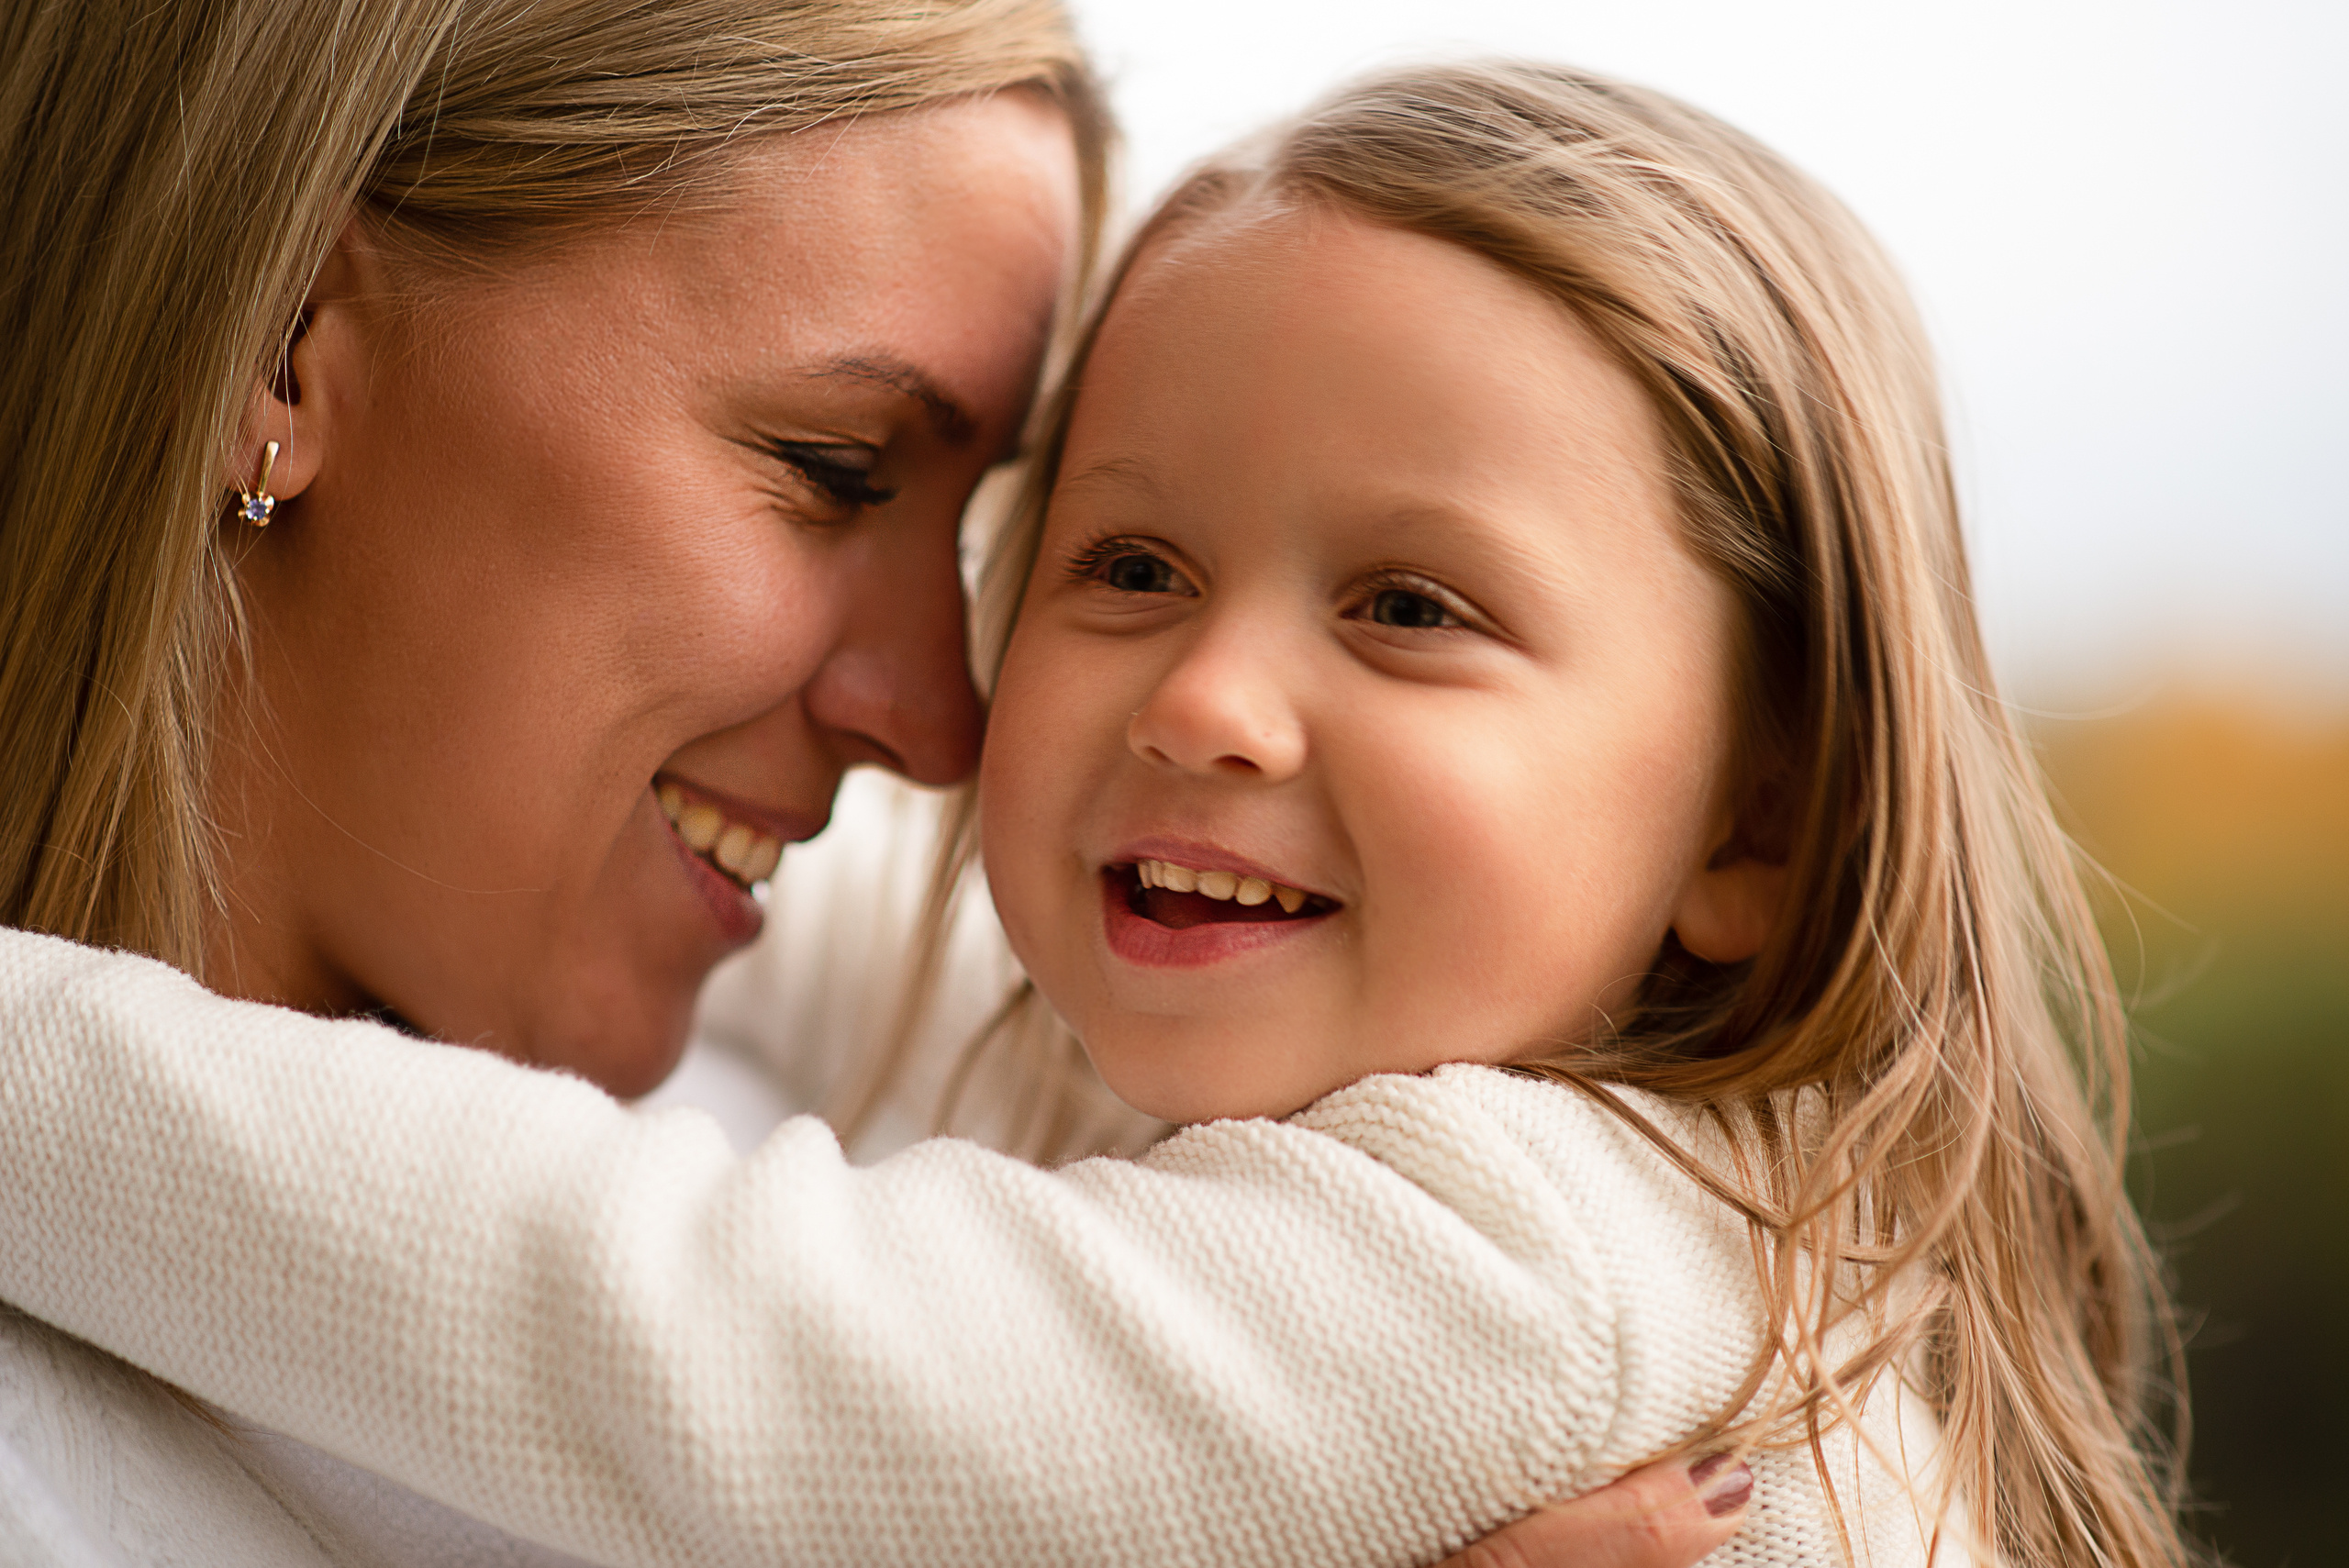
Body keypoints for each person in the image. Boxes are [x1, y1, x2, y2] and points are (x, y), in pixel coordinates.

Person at [0, 58, 2202, 1568]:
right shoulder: (1328, 1083)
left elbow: (693, 1338)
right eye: (1125, 567)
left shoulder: (1516, 1258)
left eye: (1408, 610)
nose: (1206, 704)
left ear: (1755, 831)